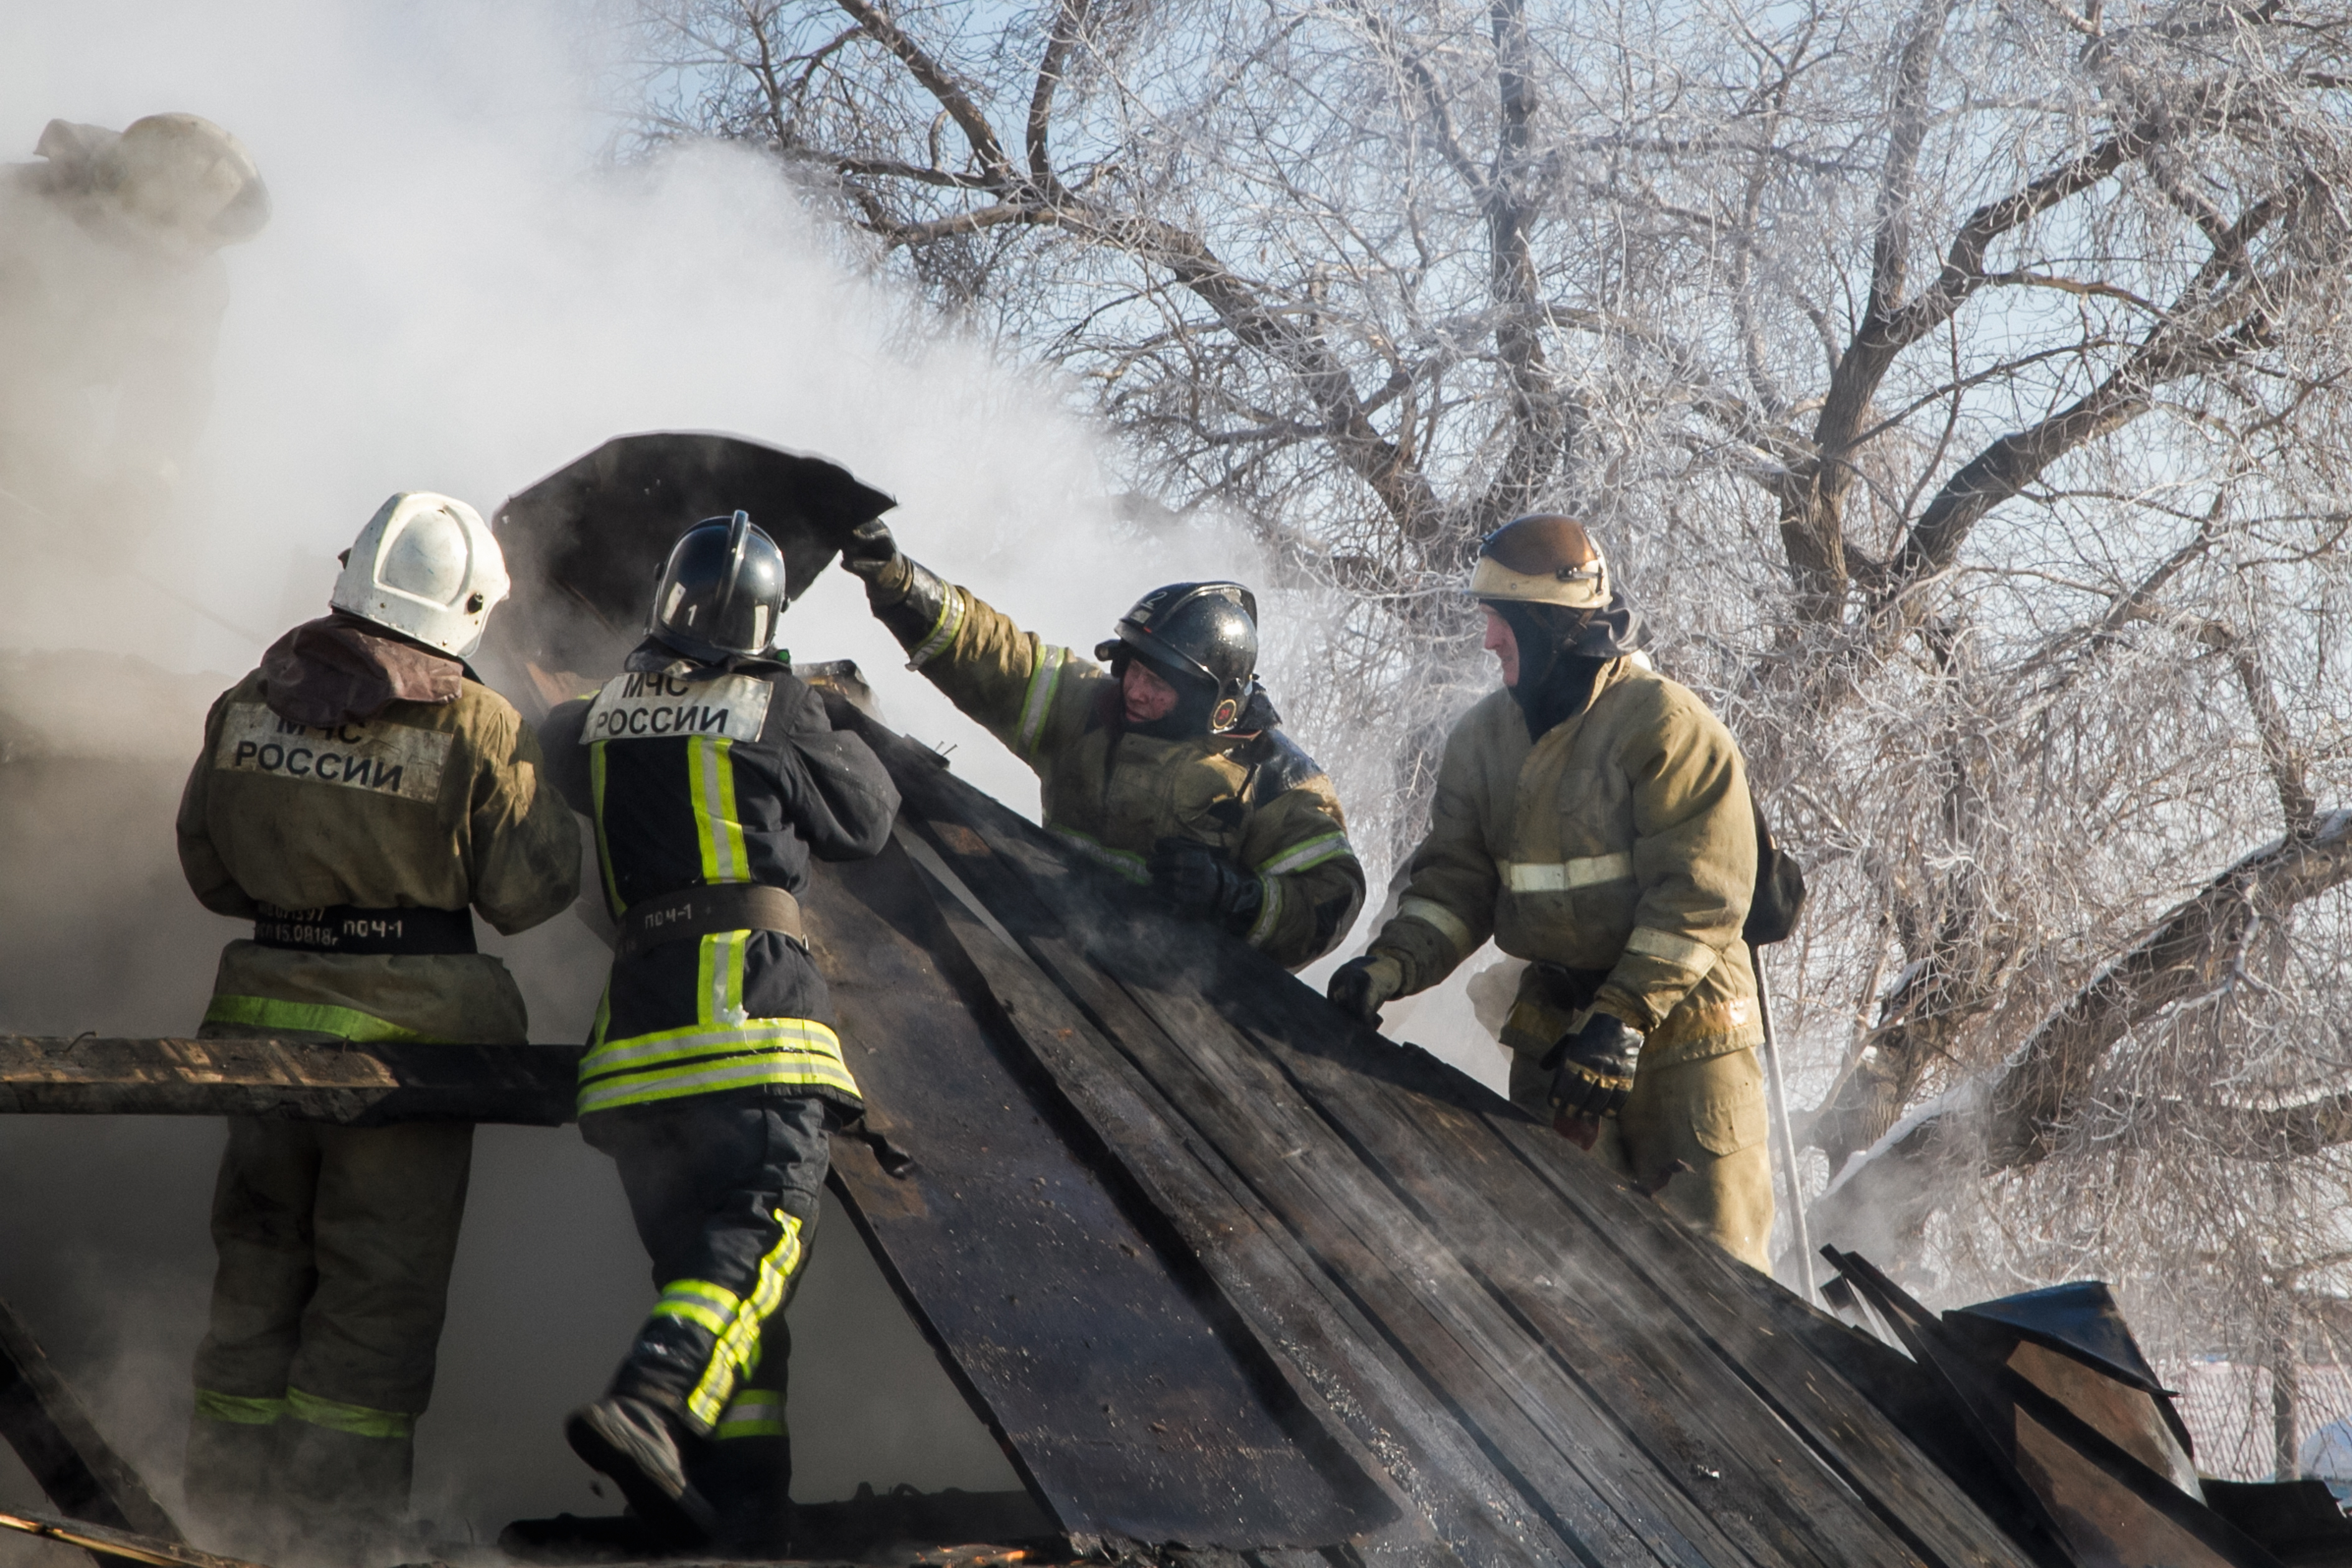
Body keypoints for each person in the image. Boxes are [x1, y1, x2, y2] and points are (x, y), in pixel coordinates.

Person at [175, 492, 581, 1550]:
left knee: (256, 1280)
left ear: (352, 577)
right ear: (471, 608)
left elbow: (210, 873)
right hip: (410, 1065)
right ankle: (333, 1541)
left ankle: (211, 1520)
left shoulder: (248, 701)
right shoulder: (482, 727)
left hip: (256, 1047)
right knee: (373, 1309)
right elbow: (529, 896)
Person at [538, 512, 899, 1552]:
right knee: (765, 1237)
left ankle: (733, 1511)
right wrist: (830, 711)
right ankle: (653, 1404)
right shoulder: (778, 705)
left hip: (635, 1063)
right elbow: (867, 820)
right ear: (764, 620)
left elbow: (558, 753)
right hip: (749, 1034)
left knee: (720, 1293)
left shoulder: (589, 715)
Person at [1326, 515, 1772, 1269]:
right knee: (1564, 1274)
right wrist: (1388, 968)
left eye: (1500, 623)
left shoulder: (1663, 724)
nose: (1488, 642)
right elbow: (1456, 886)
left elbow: (1701, 896)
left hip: (1685, 1037)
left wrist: (1623, 1018)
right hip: (1556, 1033)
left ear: (1548, 628)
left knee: (1720, 1278)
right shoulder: (1481, 740)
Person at [831, 518, 1364, 969]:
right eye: (1134, 670)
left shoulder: (1275, 779)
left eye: (1160, 686)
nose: (1135, 691)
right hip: (1047, 953)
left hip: (1189, 1013)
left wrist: (1236, 899)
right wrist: (899, 583)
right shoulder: (1087, 709)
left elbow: (1333, 898)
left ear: (1218, 703)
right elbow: (992, 654)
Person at [0, 114, 268, 553]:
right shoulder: (20, 202)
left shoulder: (195, 284)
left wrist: (140, 491)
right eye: (173, 237)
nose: (182, 259)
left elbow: (174, 394)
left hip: (40, 425)